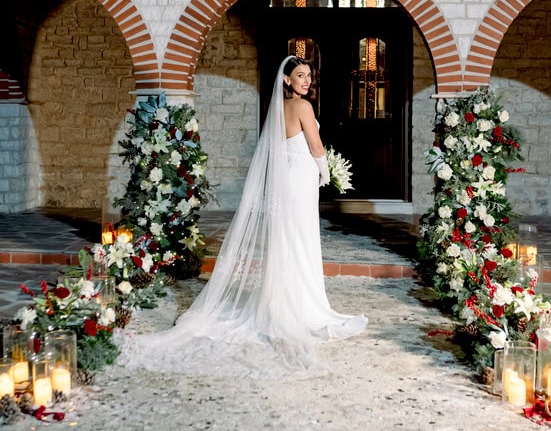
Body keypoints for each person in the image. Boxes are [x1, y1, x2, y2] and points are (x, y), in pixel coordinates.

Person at [117, 55, 368, 377]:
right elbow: (316, 147)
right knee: (300, 239)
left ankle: (280, 302)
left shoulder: (278, 109)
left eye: (309, 76)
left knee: (287, 239)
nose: (307, 81)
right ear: (287, 80)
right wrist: (324, 170)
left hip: (289, 180)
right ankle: (299, 307)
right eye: (301, 75)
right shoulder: (303, 107)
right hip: (301, 179)